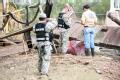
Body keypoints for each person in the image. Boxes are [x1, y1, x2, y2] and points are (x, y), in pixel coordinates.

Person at [33, 12, 57, 80]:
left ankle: (40, 70)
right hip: (46, 44)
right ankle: (44, 73)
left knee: (40, 58)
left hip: (39, 44)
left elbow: (35, 31)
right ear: (45, 18)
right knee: (46, 58)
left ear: (39, 18)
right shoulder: (47, 25)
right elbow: (55, 22)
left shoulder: (35, 26)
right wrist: (49, 19)